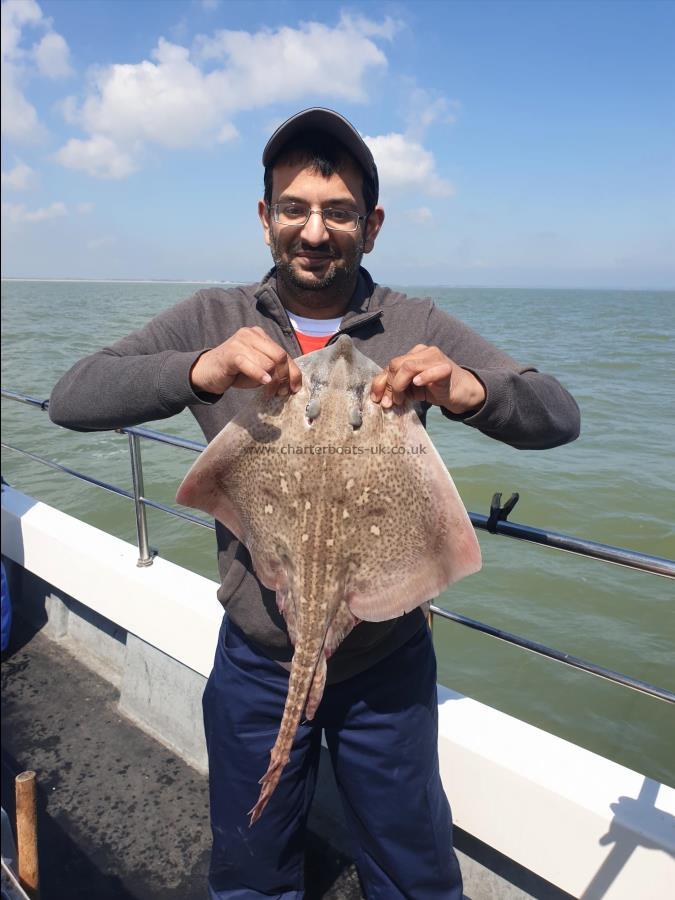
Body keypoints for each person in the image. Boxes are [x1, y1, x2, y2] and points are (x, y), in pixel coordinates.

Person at [49, 107, 580, 899]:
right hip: (258, 658)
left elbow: (556, 414)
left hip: (385, 668)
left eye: (337, 212)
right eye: (293, 207)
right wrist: (201, 370)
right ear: (265, 217)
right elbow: (71, 397)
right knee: (251, 866)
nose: (314, 229)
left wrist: (468, 389)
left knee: (413, 873)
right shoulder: (212, 317)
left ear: (370, 224)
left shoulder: (413, 323)